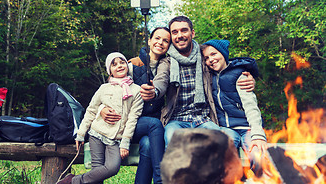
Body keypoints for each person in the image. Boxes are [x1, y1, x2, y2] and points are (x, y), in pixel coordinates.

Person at [140, 16, 256, 148]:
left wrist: (248, 75)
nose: (180, 35)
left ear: (192, 33)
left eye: (184, 30)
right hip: (176, 119)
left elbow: (224, 65)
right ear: (172, 36)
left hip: (204, 119)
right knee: (173, 141)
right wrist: (154, 91)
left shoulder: (204, 56)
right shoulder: (167, 62)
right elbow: (161, 80)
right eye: (175, 32)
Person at [57, 52, 144, 184]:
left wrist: (125, 142)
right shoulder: (104, 88)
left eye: (122, 62)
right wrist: (81, 133)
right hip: (97, 133)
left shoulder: (136, 90)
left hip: (116, 138)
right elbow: (91, 110)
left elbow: (133, 118)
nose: (119, 66)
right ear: (110, 71)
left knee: (112, 167)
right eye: (114, 65)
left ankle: (72, 180)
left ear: (127, 65)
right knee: (97, 170)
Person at [100, 27, 171, 184]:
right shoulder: (132, 65)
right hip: (128, 122)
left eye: (166, 40)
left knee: (146, 144)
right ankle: (161, 179)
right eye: (157, 38)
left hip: (150, 129)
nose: (160, 42)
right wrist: (102, 109)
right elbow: (107, 92)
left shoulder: (168, 67)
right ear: (149, 41)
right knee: (154, 124)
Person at [201, 39, 267, 165]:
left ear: (223, 53)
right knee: (221, 158)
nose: (211, 59)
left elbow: (251, 106)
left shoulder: (239, 75)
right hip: (225, 129)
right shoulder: (208, 77)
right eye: (206, 58)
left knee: (258, 158)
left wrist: (257, 134)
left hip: (246, 127)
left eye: (214, 54)